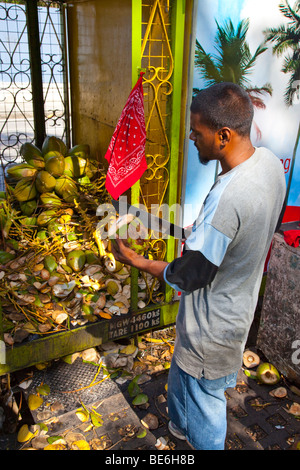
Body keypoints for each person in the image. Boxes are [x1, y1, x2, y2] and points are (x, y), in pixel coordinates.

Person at [111, 82, 286, 450]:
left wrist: (134, 259)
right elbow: (232, 234)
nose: (191, 137)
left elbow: (189, 276)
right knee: (181, 377)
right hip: (235, 310)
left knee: (206, 403)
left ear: (223, 135)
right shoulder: (269, 165)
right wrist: (160, 223)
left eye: (197, 131)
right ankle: (178, 428)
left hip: (212, 331)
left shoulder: (229, 197)